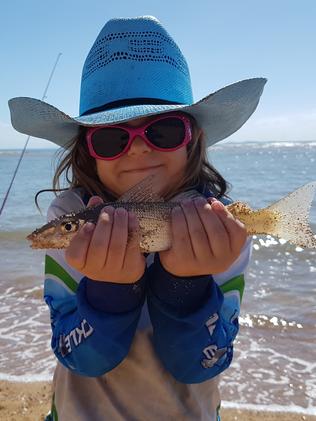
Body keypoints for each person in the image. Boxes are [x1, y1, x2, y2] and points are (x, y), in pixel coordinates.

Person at [9, 15, 266, 421]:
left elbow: (203, 362)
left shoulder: (221, 223)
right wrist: (109, 290)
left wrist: (187, 285)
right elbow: (80, 356)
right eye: (112, 136)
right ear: (87, 149)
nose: (139, 150)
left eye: (163, 131)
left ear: (193, 138)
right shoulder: (69, 217)